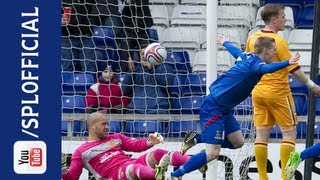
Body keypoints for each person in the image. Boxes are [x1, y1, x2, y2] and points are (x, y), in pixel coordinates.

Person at [170, 35, 301, 178]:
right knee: (213, 153)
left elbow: (236, 51)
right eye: (274, 50)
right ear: (266, 50)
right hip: (213, 107)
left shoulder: (246, 56)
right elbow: (269, 69)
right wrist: (288, 62)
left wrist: (224, 42)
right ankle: (176, 175)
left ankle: (196, 138)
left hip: (224, 108)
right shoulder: (255, 66)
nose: (276, 53)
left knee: (238, 142)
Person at [245, 4, 320, 180]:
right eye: (283, 16)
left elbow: (248, 64)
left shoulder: (252, 38)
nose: (285, 20)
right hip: (277, 92)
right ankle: (286, 177)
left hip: (258, 91)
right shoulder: (278, 42)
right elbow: (294, 69)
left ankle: (263, 177)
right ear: (273, 19)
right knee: (288, 132)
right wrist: (312, 85)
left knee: (261, 133)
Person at [61, 112, 191, 180]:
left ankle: (196, 162)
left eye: (108, 124)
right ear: (91, 127)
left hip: (130, 165)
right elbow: (72, 177)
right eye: (103, 124)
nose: (107, 127)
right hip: (115, 175)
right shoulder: (81, 152)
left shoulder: (116, 137)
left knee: (158, 153)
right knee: (133, 168)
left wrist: (150, 142)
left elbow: (135, 145)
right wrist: (63, 170)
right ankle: (162, 177)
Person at [121, 43, 175, 114]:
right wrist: (132, 72)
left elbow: (167, 85)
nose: (144, 56)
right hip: (135, 111)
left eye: (146, 53)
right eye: (142, 54)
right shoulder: (136, 70)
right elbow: (125, 89)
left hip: (157, 111)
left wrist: (152, 68)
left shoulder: (165, 69)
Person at [61, 0, 100, 73]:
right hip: (66, 37)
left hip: (86, 36)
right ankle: (65, 84)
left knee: (89, 65)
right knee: (67, 67)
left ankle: (89, 84)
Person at [121, 0, 154, 72]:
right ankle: (126, 75)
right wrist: (127, 3)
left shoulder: (143, 4)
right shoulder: (126, 7)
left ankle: (146, 73)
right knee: (126, 58)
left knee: (145, 53)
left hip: (143, 31)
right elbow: (123, 18)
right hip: (129, 31)